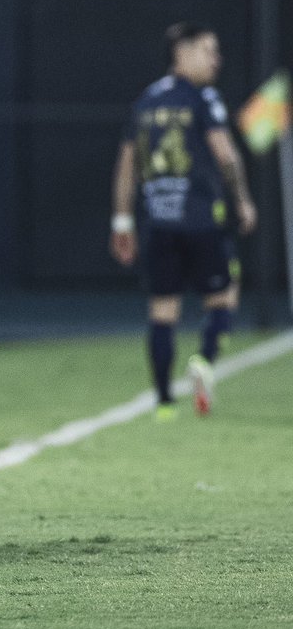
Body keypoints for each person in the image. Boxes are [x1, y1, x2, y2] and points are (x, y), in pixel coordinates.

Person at [110, 23, 257, 419]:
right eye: (209, 51)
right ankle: (205, 359)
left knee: (162, 310)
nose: (216, 60)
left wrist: (122, 220)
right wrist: (242, 200)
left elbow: (127, 163)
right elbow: (225, 155)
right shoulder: (202, 98)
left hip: (158, 223)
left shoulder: (145, 101)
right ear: (184, 52)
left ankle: (162, 402)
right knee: (225, 294)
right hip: (202, 220)